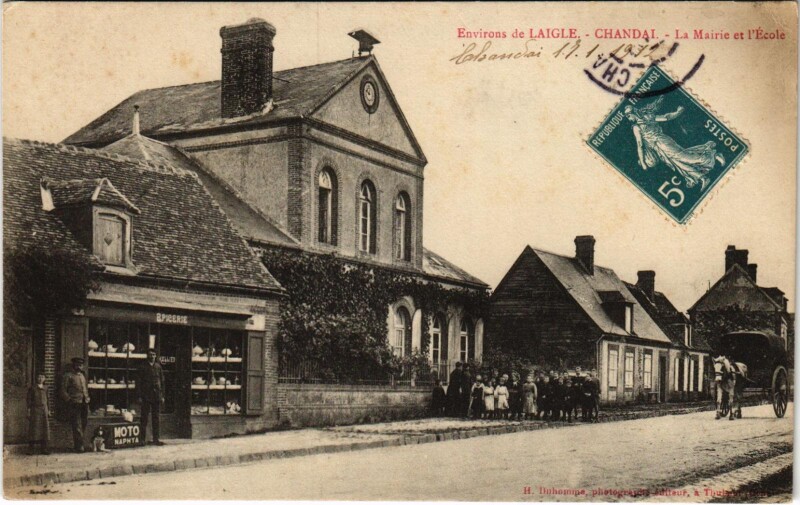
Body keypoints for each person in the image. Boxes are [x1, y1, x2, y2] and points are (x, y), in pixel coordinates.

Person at [61, 357, 90, 452]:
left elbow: (84, 388)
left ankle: (80, 443)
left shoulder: (82, 376)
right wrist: (69, 400)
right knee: (76, 424)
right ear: (74, 365)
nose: (79, 367)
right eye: (77, 365)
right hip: (74, 403)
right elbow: (63, 390)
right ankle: (79, 446)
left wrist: (87, 397)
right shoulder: (68, 376)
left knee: (84, 422)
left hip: (84, 402)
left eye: (81, 365)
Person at [137, 348, 165, 446]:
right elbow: (139, 383)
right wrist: (140, 396)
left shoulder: (158, 367)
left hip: (156, 396)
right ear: (147, 356)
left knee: (156, 418)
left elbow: (162, 382)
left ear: (155, 356)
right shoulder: (142, 367)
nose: (152, 356)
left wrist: (162, 395)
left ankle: (156, 439)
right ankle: (142, 440)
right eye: (150, 354)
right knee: (144, 418)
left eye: (153, 354)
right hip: (146, 396)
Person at [27, 372, 50, 455]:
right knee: (34, 429)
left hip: (44, 410)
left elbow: (48, 399)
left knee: (44, 430)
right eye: (39, 377)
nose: (40, 379)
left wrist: (49, 410)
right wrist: (29, 410)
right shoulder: (32, 388)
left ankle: (44, 449)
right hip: (35, 410)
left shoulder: (46, 388)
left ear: (45, 379)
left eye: (42, 377)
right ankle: (31, 449)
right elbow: (29, 400)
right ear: (36, 378)